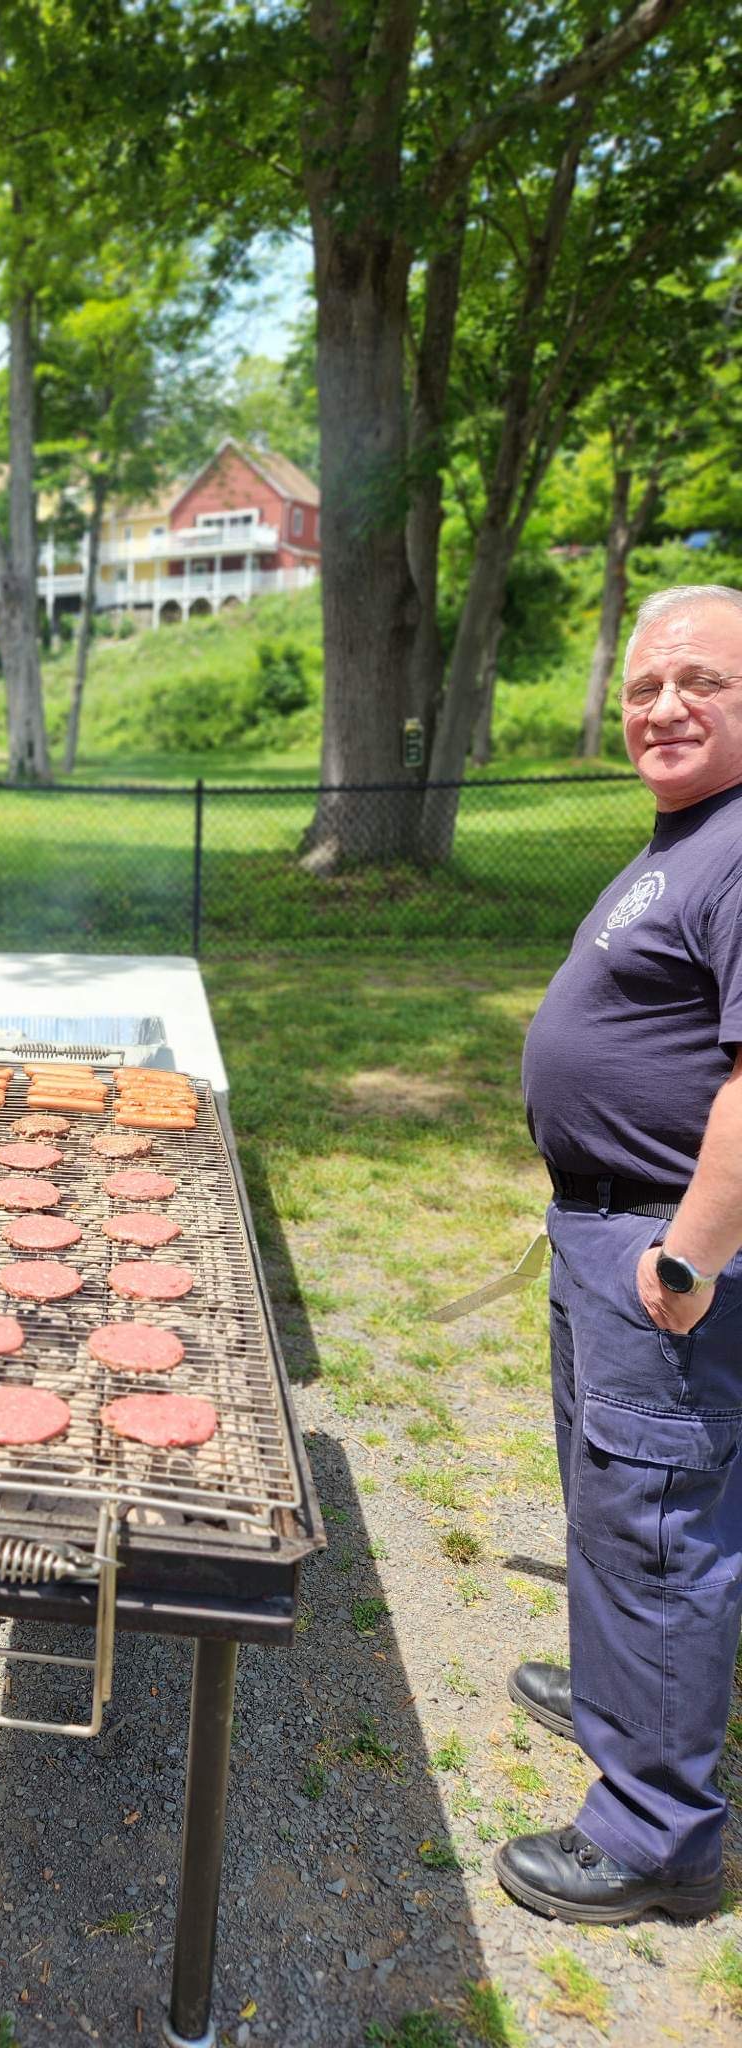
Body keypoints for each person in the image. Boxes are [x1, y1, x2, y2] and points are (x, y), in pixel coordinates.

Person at [503, 583, 742, 1924]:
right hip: (607, 1228)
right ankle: (613, 1703)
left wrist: (686, 1261)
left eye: (700, 683)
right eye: (646, 684)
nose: (662, 707)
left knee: (658, 1528)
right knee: (608, 1503)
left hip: (663, 1256)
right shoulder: (689, 836)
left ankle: (658, 1839)